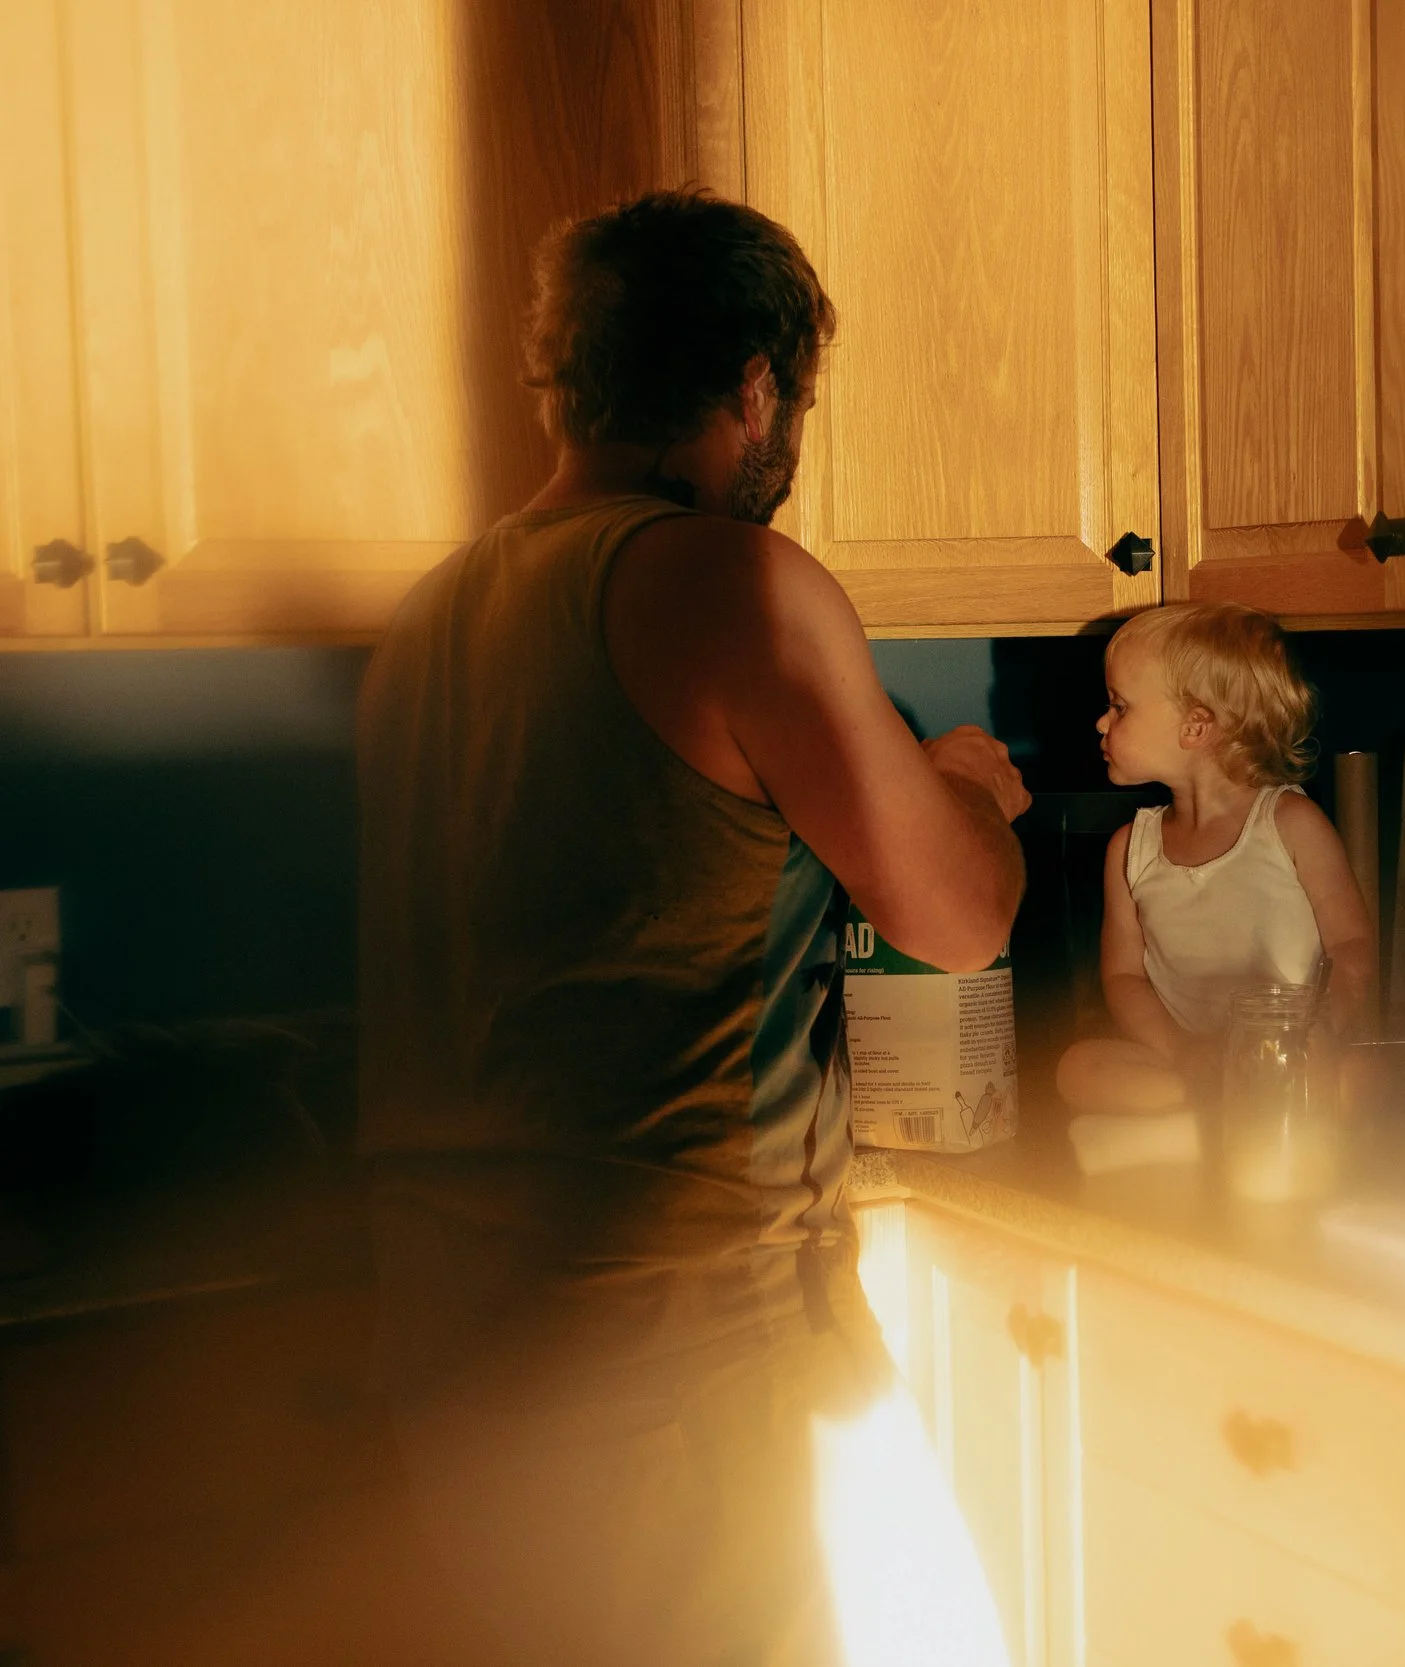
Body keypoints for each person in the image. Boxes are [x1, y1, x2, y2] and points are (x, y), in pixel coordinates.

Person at [357, 188, 1028, 1665]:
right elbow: (961, 915)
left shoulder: (430, 616)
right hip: (687, 1351)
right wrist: (957, 784)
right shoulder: (728, 584)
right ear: (753, 386)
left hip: (455, 1345)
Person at [1055, 603, 1377, 1115]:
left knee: (1358, 1076)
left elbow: (1352, 945)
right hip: (1192, 1057)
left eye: (1120, 706)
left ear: (1196, 727)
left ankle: (1227, 1109)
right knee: (1079, 1068)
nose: (1101, 721)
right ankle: (1224, 1103)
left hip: (1292, 1052)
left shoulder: (1291, 823)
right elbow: (1124, 979)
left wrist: (1312, 1034)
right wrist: (1184, 1053)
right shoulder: (1129, 851)